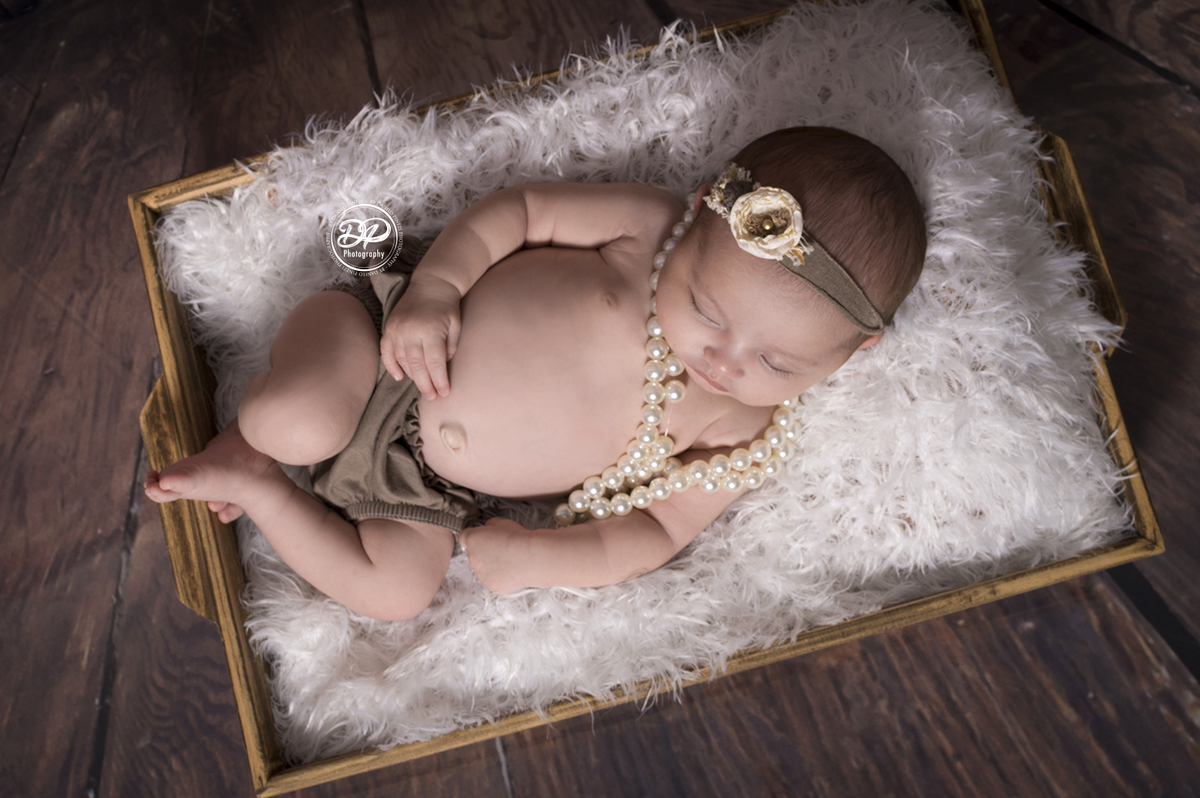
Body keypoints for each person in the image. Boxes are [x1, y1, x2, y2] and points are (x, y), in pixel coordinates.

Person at [144, 127, 926, 621]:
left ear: (850, 355)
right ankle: (259, 437)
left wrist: (540, 559)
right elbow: (517, 212)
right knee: (297, 419)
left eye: (776, 362)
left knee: (395, 595)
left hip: (429, 492)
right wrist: (438, 289)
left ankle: (261, 490)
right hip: (387, 342)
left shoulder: (741, 431)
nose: (724, 360)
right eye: (707, 310)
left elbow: (656, 530)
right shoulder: (647, 227)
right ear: (696, 216)